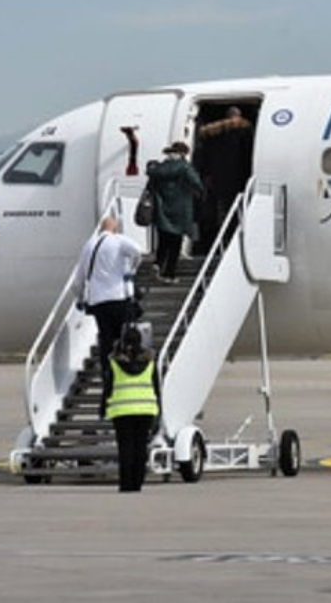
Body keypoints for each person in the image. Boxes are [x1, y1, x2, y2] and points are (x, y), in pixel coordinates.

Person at [73, 217, 144, 415]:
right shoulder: (118, 240)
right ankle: (127, 378)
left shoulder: (89, 246)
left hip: (98, 302)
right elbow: (138, 251)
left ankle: (108, 383)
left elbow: (78, 279)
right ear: (115, 228)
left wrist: (80, 298)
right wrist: (132, 270)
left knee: (106, 342)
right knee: (125, 341)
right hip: (119, 298)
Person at [105, 324, 160, 492]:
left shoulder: (115, 363)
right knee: (140, 447)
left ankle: (126, 484)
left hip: (122, 411)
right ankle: (138, 482)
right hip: (145, 409)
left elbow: (108, 388)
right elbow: (156, 387)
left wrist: (103, 406)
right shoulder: (150, 362)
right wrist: (159, 408)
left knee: (125, 448)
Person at [196, 106, 254, 244]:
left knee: (221, 210)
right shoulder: (246, 130)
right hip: (240, 176)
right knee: (241, 208)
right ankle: (237, 238)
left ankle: (222, 239)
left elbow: (205, 155)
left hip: (219, 177)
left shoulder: (213, 132)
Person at [147, 141, 203, 283]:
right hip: (180, 211)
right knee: (175, 245)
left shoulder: (159, 168)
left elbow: (150, 187)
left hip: (162, 210)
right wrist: (200, 192)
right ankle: (169, 274)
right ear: (183, 153)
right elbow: (196, 182)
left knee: (163, 241)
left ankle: (158, 263)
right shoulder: (184, 168)